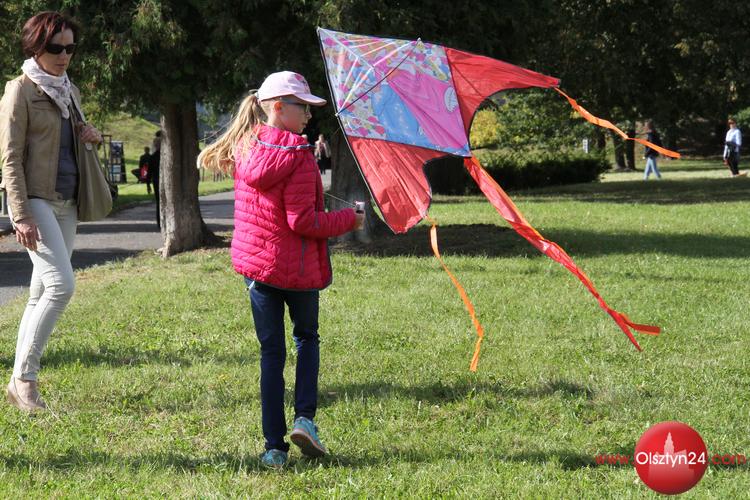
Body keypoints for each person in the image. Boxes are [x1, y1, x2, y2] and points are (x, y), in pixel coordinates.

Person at [197, 71, 363, 468]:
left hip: (258, 272)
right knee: (306, 338)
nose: (308, 114)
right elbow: (302, 221)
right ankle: (304, 419)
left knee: (271, 354)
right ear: (277, 107)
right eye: (301, 106)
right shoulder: (298, 154)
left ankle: (274, 447)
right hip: (298, 271)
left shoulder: (246, 146)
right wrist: (348, 220)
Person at [0, 11, 103, 412]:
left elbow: (71, 141)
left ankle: (16, 381)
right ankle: (25, 379)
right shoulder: (19, 91)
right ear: (36, 47)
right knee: (62, 286)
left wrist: (90, 135)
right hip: (36, 200)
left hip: (67, 199)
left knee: (40, 292)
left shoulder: (68, 90)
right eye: (56, 48)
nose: (64, 56)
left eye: (70, 48)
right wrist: (20, 215)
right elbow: (9, 158)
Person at [150, 131, 161, 227]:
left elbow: (149, 171)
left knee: (159, 201)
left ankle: (159, 221)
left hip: (156, 180)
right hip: (158, 180)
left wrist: (147, 183)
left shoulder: (152, 157)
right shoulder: (165, 156)